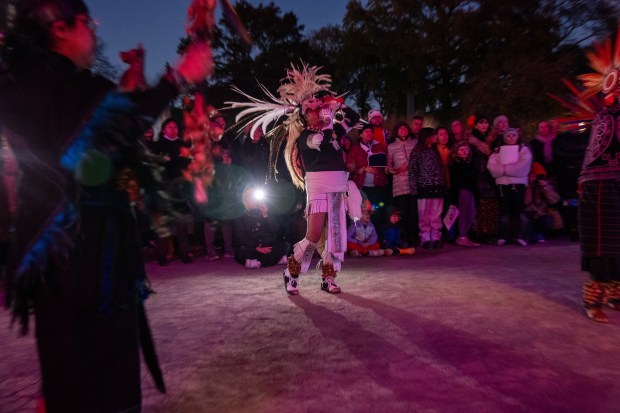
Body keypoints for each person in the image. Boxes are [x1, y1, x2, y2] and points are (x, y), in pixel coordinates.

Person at [0, 1, 214, 411]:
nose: (94, 32)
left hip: (92, 249)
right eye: (87, 22)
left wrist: (138, 84)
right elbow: (90, 140)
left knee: (93, 367)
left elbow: (105, 122)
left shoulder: (58, 81)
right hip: (73, 253)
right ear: (59, 27)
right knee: (86, 372)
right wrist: (178, 78)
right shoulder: (33, 82)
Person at [227, 63, 362, 295]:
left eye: (319, 107)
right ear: (304, 115)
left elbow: (354, 117)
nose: (318, 111)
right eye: (312, 109)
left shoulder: (334, 129)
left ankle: (328, 278)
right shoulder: (307, 137)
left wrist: (336, 103)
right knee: (312, 236)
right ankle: (292, 272)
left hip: (339, 184)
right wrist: (330, 122)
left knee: (336, 237)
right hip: (319, 186)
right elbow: (321, 141)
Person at [571, 28, 620, 323]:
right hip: (601, 186)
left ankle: (616, 294)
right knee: (604, 242)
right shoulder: (606, 117)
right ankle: (594, 300)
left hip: (611, 182)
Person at [487, 128, 532, 247]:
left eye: (513, 135)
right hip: (503, 184)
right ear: (504, 138)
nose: (511, 137)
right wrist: (503, 170)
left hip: (518, 184)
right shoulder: (497, 151)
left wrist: (505, 170)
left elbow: (524, 165)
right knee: (505, 211)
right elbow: (492, 166)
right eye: (508, 136)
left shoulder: (523, 150)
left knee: (519, 210)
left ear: (517, 137)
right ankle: (503, 235)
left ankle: (521, 235)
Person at [408, 127, 446, 249]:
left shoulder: (435, 151)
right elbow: (412, 171)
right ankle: (425, 237)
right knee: (424, 214)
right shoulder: (417, 151)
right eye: (433, 136)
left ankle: (436, 237)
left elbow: (440, 170)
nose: (435, 138)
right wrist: (414, 188)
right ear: (427, 137)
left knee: (436, 213)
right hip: (423, 187)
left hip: (437, 187)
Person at [233, 188, 290, 268]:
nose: (253, 201)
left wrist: (265, 215)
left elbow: (275, 230)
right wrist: (257, 247)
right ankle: (274, 260)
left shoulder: (263, 212)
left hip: (267, 245)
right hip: (252, 247)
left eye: (254, 198)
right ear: (245, 200)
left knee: (285, 245)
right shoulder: (240, 216)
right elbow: (241, 236)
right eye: (249, 198)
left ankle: (257, 262)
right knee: (241, 252)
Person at [347, 123, 389, 224]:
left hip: (377, 185)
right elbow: (349, 166)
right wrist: (361, 170)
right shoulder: (355, 148)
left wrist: (385, 168)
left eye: (371, 131)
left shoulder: (379, 146)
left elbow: (385, 162)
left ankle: (376, 236)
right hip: (361, 186)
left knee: (377, 210)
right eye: (366, 131)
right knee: (363, 210)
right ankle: (361, 235)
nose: (369, 133)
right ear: (361, 134)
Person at [386, 121, 418, 244]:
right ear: (396, 131)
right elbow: (388, 165)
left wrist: (409, 166)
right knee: (402, 211)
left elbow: (419, 159)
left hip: (414, 183)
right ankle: (402, 237)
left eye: (405, 127)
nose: (403, 129)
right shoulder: (391, 146)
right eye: (401, 128)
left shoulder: (415, 143)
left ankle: (413, 236)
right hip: (400, 184)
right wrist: (394, 170)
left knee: (414, 212)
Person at [449, 141, 480, 247]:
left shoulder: (470, 162)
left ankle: (464, 235)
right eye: (461, 149)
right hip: (462, 190)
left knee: (470, 213)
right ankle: (461, 236)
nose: (464, 151)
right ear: (456, 151)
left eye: (466, 149)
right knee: (464, 213)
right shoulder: (456, 164)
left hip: (470, 190)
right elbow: (460, 179)